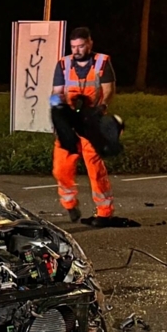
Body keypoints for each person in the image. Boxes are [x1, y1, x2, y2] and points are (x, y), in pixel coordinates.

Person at [50, 27, 117, 227]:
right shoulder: (63, 64)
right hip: (69, 122)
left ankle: (104, 212)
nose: (77, 50)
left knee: (95, 168)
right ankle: (69, 204)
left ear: (90, 43)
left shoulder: (102, 62)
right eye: (73, 47)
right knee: (62, 167)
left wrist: (101, 108)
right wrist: (58, 112)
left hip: (91, 123)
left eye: (81, 46)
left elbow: (108, 90)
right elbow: (56, 93)